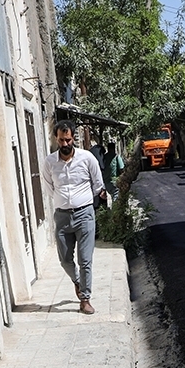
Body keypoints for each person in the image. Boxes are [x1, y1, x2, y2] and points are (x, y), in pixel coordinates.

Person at [41, 120, 108, 315]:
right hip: (62, 217)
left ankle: (85, 299)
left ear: (73, 139)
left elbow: (98, 184)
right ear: (56, 139)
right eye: (61, 140)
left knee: (85, 260)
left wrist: (102, 195)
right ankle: (77, 281)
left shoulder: (87, 159)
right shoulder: (49, 162)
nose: (65, 144)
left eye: (68, 140)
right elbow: (48, 188)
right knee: (64, 259)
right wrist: (63, 202)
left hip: (85, 214)